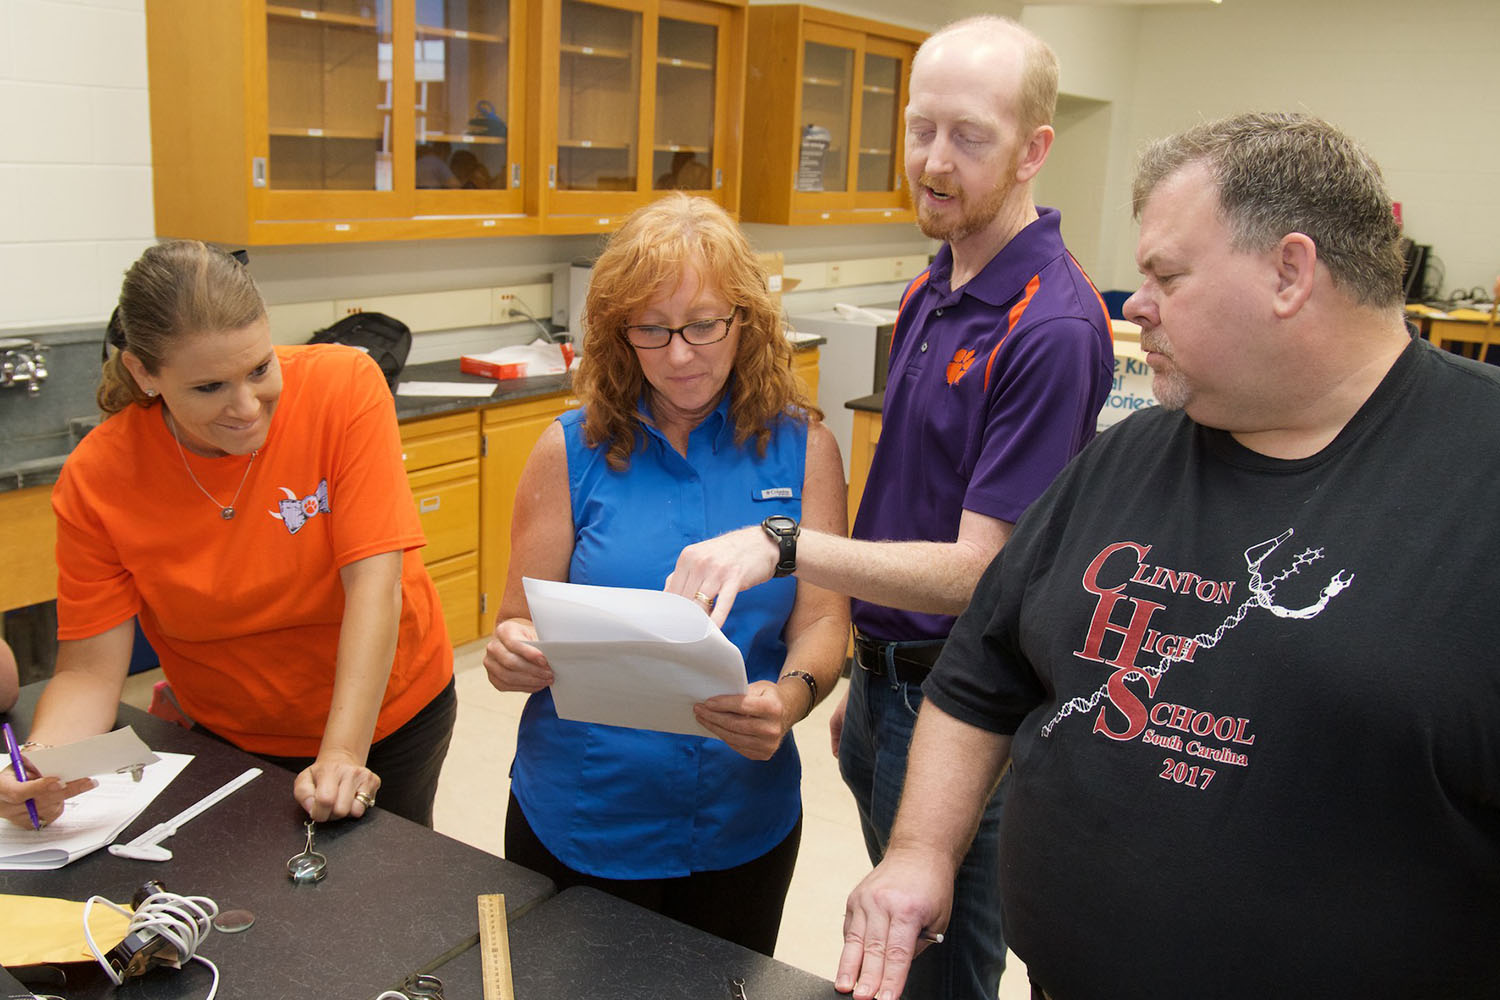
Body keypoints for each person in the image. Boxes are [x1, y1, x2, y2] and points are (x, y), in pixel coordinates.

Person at [840, 111, 1500, 1000]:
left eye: (1165, 276)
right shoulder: (1133, 451)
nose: (1132, 303)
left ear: (1289, 272)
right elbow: (980, 673)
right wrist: (921, 850)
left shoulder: (1477, 469)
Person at [667, 16, 1114, 997]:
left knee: (937, 965)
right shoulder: (936, 283)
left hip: (961, 699)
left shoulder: (1053, 328)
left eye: (970, 136)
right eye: (920, 129)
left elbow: (980, 571)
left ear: (1037, 148)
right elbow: (904, 497)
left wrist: (786, 545)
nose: (933, 161)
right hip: (889, 683)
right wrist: (867, 656)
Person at [483, 193, 849, 956]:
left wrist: (789, 699)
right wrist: (513, 650)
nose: (680, 354)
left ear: (746, 321)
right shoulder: (570, 451)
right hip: (585, 813)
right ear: (620, 337)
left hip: (740, 817)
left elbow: (821, 621)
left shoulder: (803, 451)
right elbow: (514, 621)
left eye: (704, 324)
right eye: (651, 330)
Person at [0, 241, 455, 830]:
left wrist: (342, 753)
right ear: (144, 373)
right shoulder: (100, 477)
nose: (246, 408)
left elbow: (374, 581)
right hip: (228, 731)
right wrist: (40, 765)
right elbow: (89, 671)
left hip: (384, 715)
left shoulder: (343, 387)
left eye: (260, 369)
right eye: (209, 387)